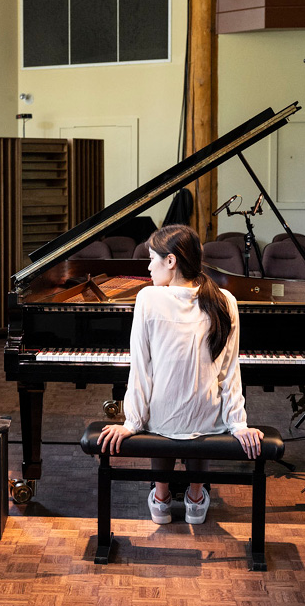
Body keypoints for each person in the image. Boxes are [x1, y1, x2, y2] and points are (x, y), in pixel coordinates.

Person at [96, 224, 264, 525]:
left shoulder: (147, 298)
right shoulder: (226, 300)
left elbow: (141, 370)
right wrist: (238, 424)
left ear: (170, 261)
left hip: (162, 416)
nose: (148, 267)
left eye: (151, 259)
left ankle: (160, 499)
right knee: (202, 410)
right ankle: (196, 499)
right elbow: (229, 369)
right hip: (210, 416)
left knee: (161, 406)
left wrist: (131, 423)